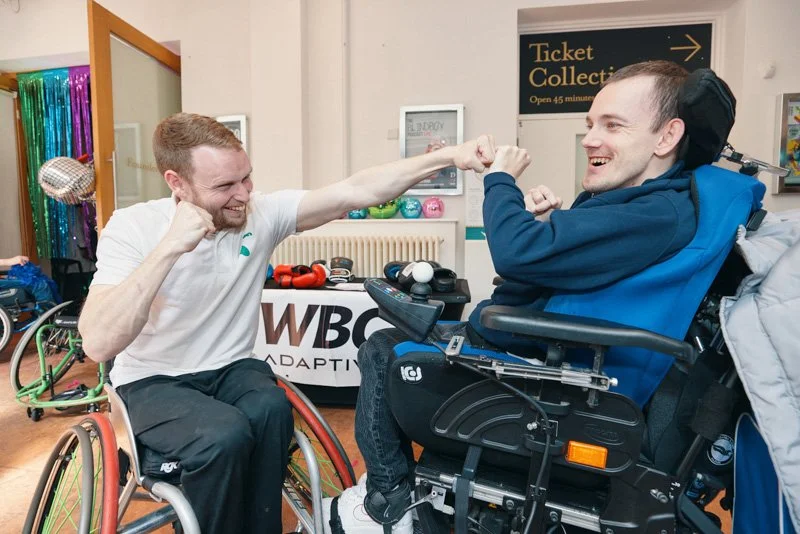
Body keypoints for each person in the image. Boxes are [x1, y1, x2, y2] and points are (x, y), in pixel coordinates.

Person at [77, 112, 496, 534]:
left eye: (246, 178)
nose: (243, 194)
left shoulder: (261, 214)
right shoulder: (134, 228)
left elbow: (355, 190)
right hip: (153, 379)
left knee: (271, 409)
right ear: (177, 183)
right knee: (223, 436)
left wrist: (449, 156)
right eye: (224, 186)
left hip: (231, 367)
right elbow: (98, 343)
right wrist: (169, 248)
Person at [326, 60, 696, 533]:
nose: (590, 139)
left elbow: (516, 257)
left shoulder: (652, 213)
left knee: (382, 347)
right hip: (542, 351)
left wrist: (498, 179)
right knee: (410, 333)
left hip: (549, 377)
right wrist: (542, 236)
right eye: (589, 125)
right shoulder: (644, 204)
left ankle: (388, 500)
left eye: (613, 125)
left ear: (667, 137)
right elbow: (533, 273)